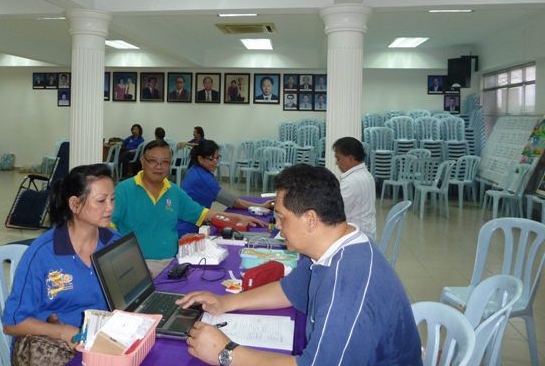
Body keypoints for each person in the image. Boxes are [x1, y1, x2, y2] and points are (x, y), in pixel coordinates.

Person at [177, 164, 421, 366]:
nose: (278, 226)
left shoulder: (347, 286)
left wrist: (227, 354)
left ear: (310, 220)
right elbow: (289, 289)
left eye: (282, 218)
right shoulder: (334, 247)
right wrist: (225, 302)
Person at [2, 164, 121, 365]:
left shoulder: (114, 242)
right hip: (56, 347)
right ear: (74, 204)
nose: (110, 207)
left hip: (102, 343)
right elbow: (12, 323)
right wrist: (63, 332)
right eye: (101, 200)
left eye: (112, 199)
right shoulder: (43, 253)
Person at [111, 140, 266, 277]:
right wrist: (130, 265)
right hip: (139, 264)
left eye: (165, 162)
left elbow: (204, 214)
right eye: (153, 161)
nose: (159, 166)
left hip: (173, 263)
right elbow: (107, 231)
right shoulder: (124, 190)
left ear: (170, 165)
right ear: (142, 161)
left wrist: (238, 218)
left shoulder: (174, 191)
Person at [178, 140, 274, 237]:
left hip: (193, 219)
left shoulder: (195, 170)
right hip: (188, 228)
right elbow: (233, 202)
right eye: (211, 159)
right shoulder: (202, 178)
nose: (215, 162)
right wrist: (261, 206)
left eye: (217, 158)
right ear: (200, 159)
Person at [332, 137, 376, 240]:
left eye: (338, 158)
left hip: (356, 238)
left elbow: (333, 211)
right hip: (367, 233)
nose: (336, 163)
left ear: (350, 158)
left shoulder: (350, 182)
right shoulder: (367, 175)